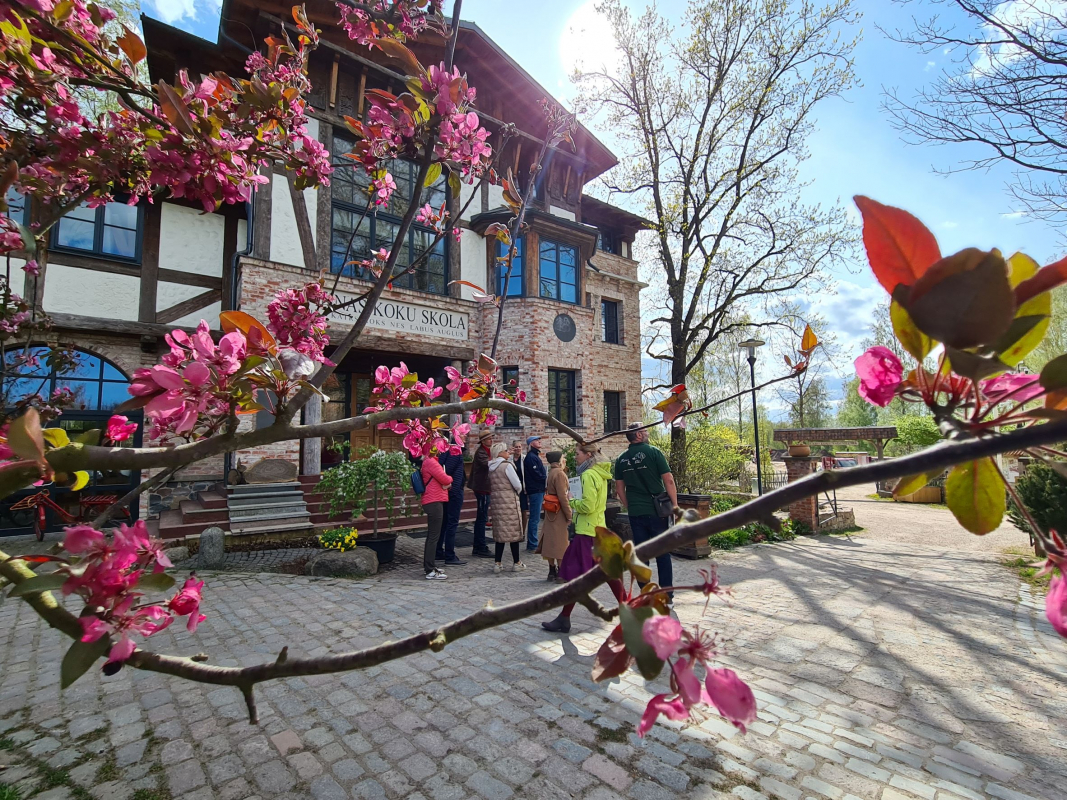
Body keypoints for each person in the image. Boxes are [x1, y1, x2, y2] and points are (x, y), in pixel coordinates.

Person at [542, 443, 624, 633]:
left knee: (574, 573)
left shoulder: (588, 475)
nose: (575, 457)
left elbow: (588, 506)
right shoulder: (599, 474)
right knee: (602, 574)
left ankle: (564, 618)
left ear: (588, 455)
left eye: (578, 453)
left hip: (587, 532)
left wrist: (571, 500)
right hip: (597, 529)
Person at [614, 423, 678, 600]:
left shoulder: (621, 459)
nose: (648, 432)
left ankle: (645, 593)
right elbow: (669, 480)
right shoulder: (654, 452)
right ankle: (667, 595)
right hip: (657, 511)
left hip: (636, 512)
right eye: (645, 430)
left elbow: (619, 489)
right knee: (662, 553)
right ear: (639, 435)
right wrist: (675, 505)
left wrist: (630, 505)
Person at [487, 441, 526, 573]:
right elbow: (517, 484)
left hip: (497, 503)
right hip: (509, 502)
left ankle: (497, 563)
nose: (508, 452)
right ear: (500, 453)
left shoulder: (491, 467)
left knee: (500, 534)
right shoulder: (507, 466)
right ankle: (517, 562)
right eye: (505, 450)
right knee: (513, 533)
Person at [535, 450, 571, 581]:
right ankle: (561, 572)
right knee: (560, 542)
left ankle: (551, 570)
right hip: (559, 510)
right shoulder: (560, 474)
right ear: (559, 460)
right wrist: (569, 514)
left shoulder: (551, 472)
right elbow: (562, 496)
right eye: (563, 458)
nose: (565, 460)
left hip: (551, 509)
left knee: (550, 540)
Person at [418, 453, 452, 580]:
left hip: (433, 500)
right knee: (433, 537)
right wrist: (449, 480)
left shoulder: (428, 461)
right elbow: (446, 479)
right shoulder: (431, 462)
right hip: (434, 501)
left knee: (432, 536)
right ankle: (430, 569)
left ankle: (429, 566)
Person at [436, 442, 467, 567]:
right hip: (453, 492)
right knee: (451, 523)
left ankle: (438, 551)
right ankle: (449, 555)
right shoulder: (454, 451)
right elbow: (448, 470)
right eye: (463, 435)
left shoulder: (448, 451)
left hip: (449, 491)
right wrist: (454, 487)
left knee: (444, 523)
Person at [469, 430, 494, 558]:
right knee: (481, 518)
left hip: (485, 488)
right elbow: (488, 465)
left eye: (491, 438)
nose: (491, 440)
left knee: (482, 517)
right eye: (489, 439)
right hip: (482, 488)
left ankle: (479, 545)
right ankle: (480, 546)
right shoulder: (481, 453)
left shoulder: (487, 451)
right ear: (483, 441)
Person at [523, 436, 547, 551]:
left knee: (535, 517)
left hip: (538, 489)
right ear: (531, 444)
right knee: (534, 518)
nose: (539, 441)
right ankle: (532, 543)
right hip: (535, 490)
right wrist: (546, 479)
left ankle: (533, 542)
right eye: (537, 440)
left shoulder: (534, 456)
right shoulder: (531, 457)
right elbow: (537, 474)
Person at [511, 439, 528, 534]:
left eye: (519, 447)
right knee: (513, 511)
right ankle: (514, 531)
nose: (518, 449)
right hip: (512, 489)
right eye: (516, 447)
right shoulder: (509, 459)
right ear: (513, 448)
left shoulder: (524, 459)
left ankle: (523, 532)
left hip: (522, 488)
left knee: (523, 511)